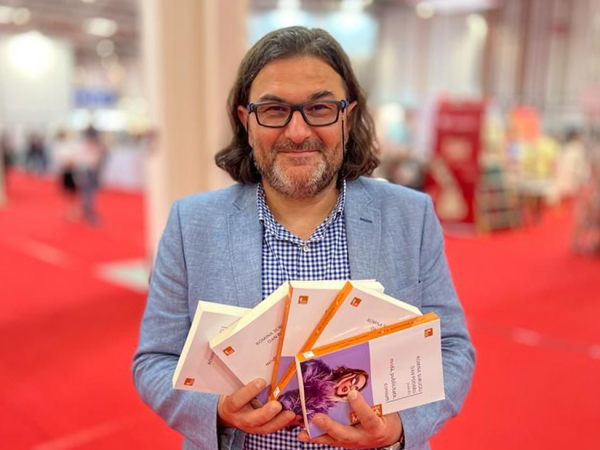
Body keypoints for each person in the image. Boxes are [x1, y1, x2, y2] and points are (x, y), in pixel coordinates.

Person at [133, 26, 475, 450]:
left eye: (320, 108)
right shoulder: (192, 225)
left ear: (347, 117)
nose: (297, 132)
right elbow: (154, 360)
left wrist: (401, 428)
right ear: (246, 121)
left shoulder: (409, 217)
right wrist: (217, 410)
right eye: (274, 110)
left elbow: (451, 348)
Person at [279, 361, 369, 421]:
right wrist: (331, 385)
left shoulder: (322, 410)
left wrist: (332, 394)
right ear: (348, 375)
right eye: (354, 380)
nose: (351, 387)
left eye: (355, 388)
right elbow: (293, 371)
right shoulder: (317, 369)